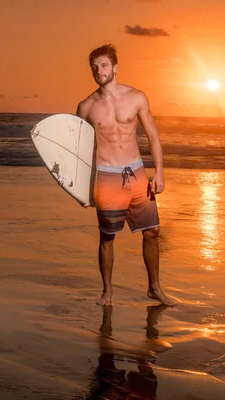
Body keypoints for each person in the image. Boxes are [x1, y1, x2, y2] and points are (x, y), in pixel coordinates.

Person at [76, 43, 175, 306]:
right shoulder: (86, 107)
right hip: (107, 176)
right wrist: (80, 189)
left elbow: (153, 135)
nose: (99, 71)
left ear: (115, 68)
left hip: (136, 174)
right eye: (95, 68)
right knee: (107, 237)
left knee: (152, 231)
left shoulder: (137, 97)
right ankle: (107, 292)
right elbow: (80, 152)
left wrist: (159, 173)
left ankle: (154, 288)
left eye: (104, 65)